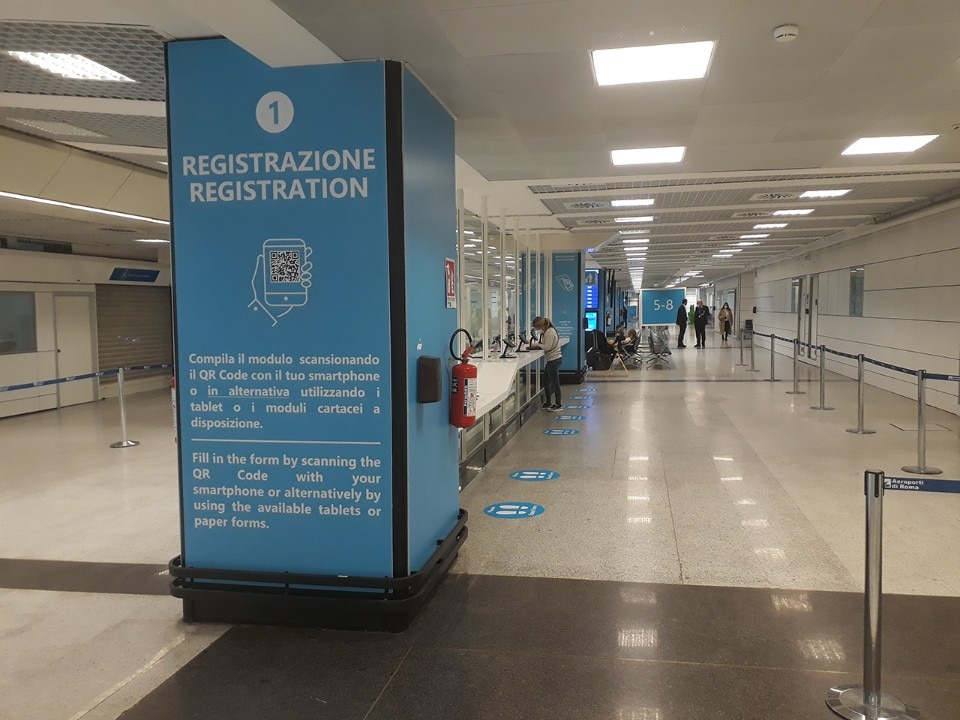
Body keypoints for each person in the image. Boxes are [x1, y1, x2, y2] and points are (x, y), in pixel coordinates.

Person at [531, 316, 563, 411]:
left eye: (537, 328)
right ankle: (548, 402)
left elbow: (547, 347)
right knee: (546, 381)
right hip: (552, 360)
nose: (537, 330)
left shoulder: (549, 332)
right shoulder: (548, 331)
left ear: (541, 326)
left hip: (554, 360)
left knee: (555, 383)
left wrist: (537, 344)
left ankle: (558, 405)